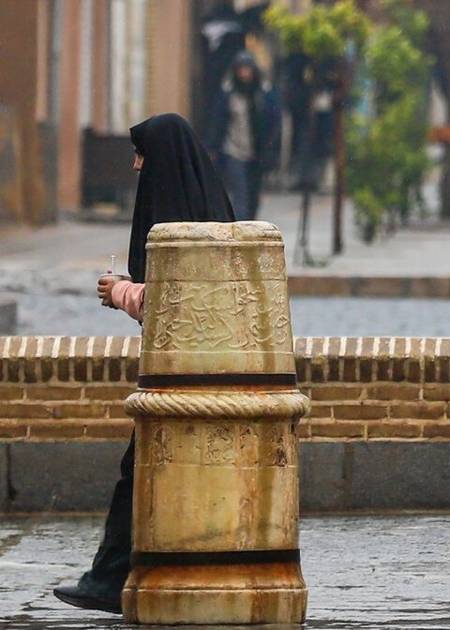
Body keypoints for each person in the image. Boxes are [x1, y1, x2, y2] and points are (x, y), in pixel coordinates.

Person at [53, 114, 235, 615]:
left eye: (141, 154)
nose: (136, 165)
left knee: (138, 471)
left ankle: (110, 580)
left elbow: (174, 297)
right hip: (218, 372)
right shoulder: (212, 205)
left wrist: (119, 292)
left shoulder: (178, 216)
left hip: (182, 375)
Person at [205, 50, 281, 221]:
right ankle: (242, 229)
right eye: (241, 69)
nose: (244, 73)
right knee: (240, 194)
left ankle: (250, 225)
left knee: (253, 194)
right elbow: (217, 122)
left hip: (257, 152)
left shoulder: (263, 93)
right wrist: (212, 147)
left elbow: (273, 122)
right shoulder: (227, 94)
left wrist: (270, 148)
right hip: (234, 150)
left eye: (247, 69)